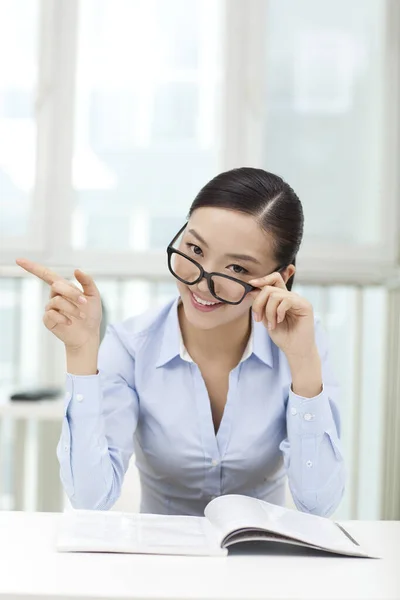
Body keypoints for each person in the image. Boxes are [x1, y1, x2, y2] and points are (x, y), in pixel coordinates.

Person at [16, 167, 345, 517]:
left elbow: (318, 505)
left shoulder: (303, 343)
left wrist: (303, 363)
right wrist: (82, 353)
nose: (202, 282)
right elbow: (90, 499)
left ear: (281, 278)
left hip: (260, 560)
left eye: (237, 269)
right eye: (195, 249)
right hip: (159, 562)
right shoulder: (131, 346)